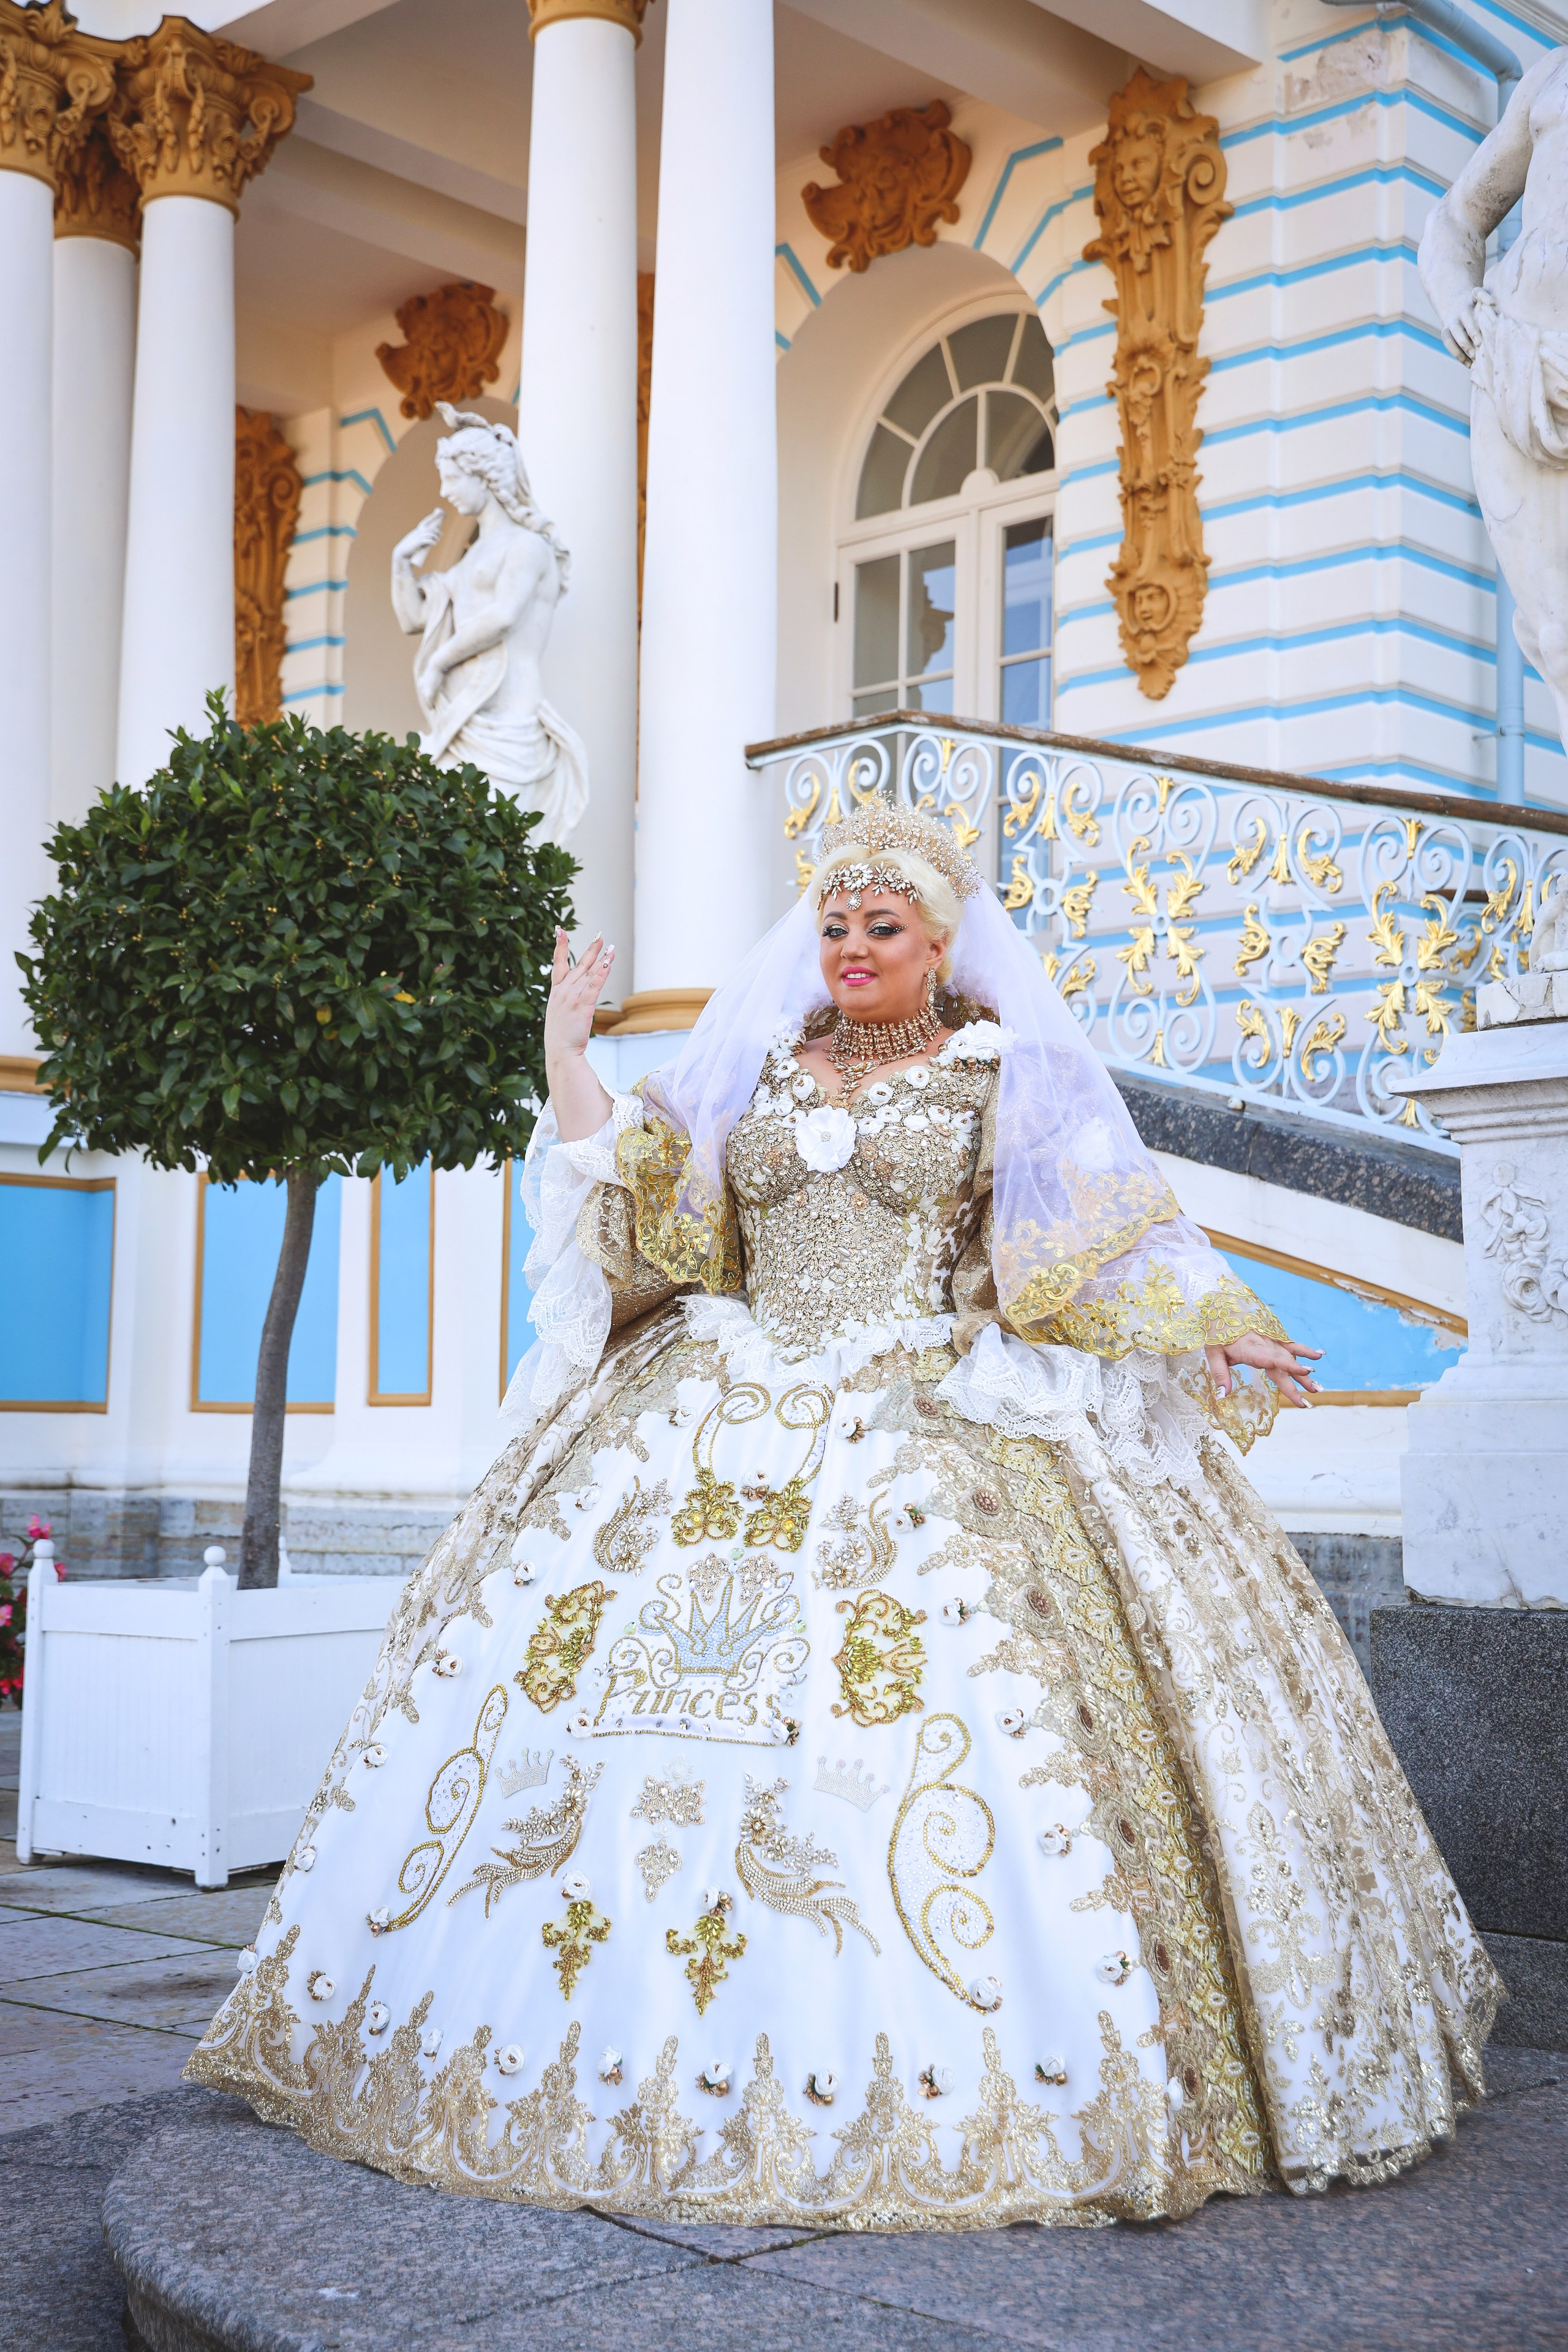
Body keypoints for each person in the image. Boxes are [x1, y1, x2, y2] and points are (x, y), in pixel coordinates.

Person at [189, 802, 1500, 2229]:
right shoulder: (755, 1065)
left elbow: (1084, 1231)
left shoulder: (994, 1069)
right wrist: (567, 1054)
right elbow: (656, 1219)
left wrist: (1213, 1328)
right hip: (715, 1404)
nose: (852, 949)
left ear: (939, 946)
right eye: (834, 926)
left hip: (919, 1413)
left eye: (882, 929)